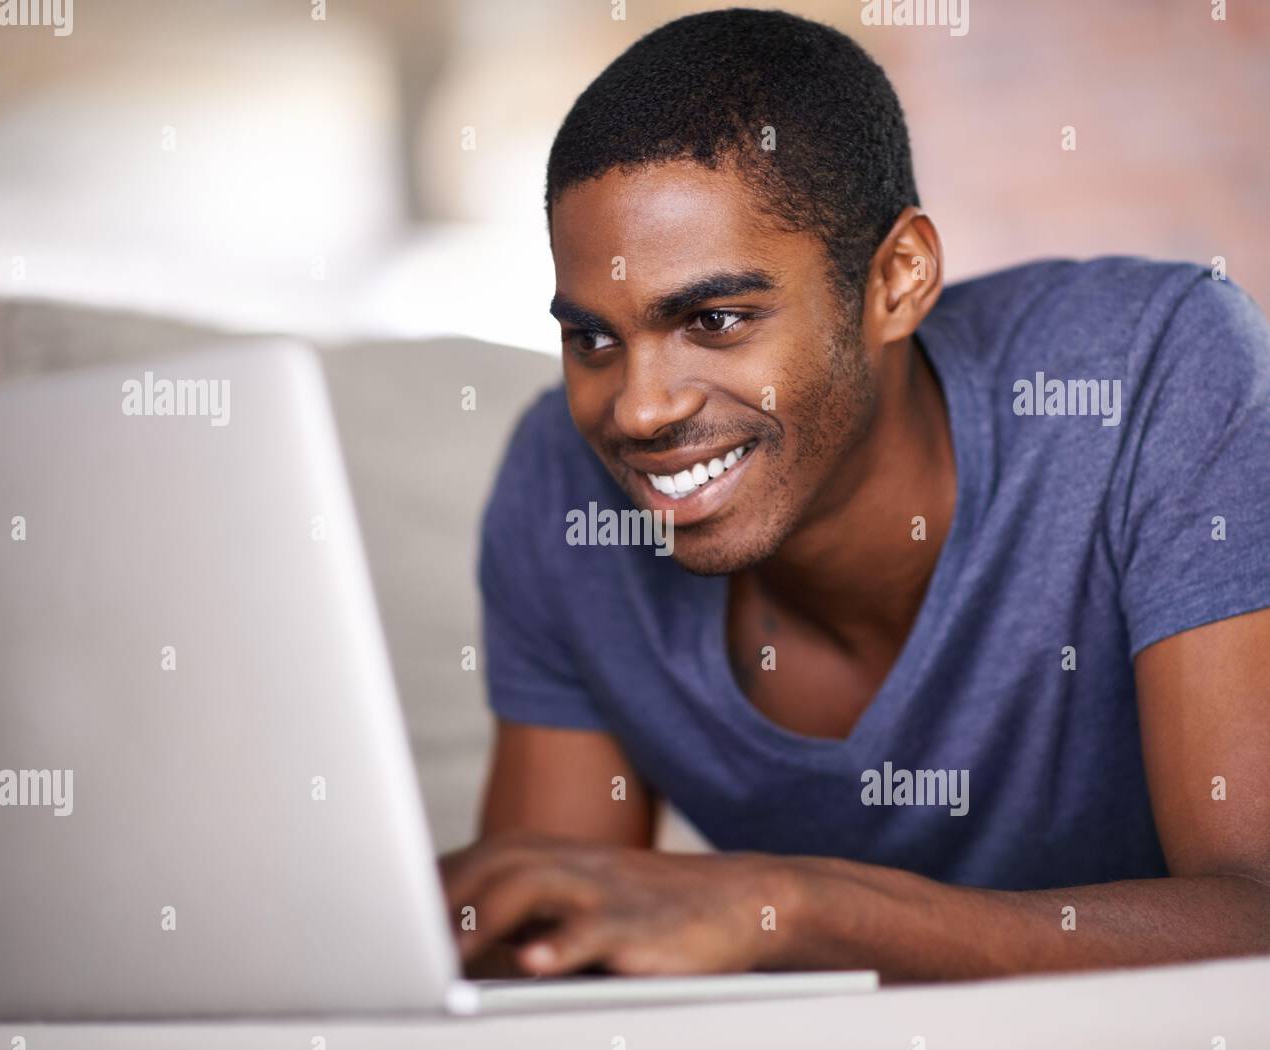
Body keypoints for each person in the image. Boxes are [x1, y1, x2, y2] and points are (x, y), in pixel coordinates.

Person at [439, 8, 1270, 982]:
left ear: (897, 279)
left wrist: (785, 908)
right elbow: (538, 954)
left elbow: (1256, 911)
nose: (639, 407)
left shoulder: (1152, 369)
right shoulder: (555, 480)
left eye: (714, 317)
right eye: (593, 338)